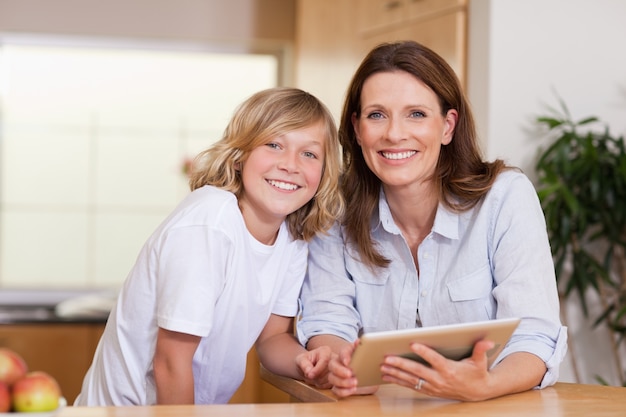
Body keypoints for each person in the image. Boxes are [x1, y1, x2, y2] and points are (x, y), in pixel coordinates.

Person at [296, 41, 568, 402]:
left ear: (448, 127)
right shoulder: (335, 208)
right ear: (357, 128)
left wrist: (485, 385)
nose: (394, 133)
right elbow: (328, 320)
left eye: (417, 114)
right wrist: (340, 363)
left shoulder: (504, 197)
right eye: (377, 114)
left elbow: (534, 333)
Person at [75, 86, 344, 405]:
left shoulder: (293, 237)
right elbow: (171, 362)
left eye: (309, 153)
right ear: (240, 156)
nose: (290, 164)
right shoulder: (210, 220)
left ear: (324, 171)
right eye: (273, 145)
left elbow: (273, 338)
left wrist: (303, 362)